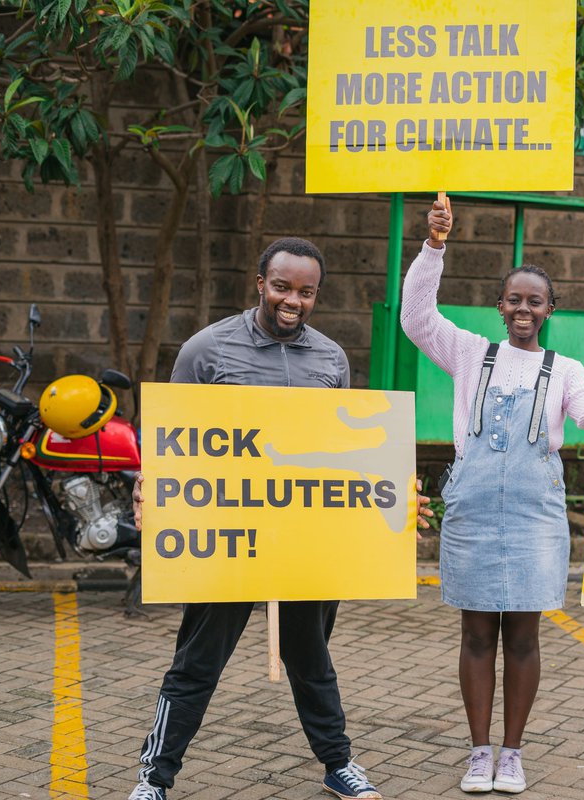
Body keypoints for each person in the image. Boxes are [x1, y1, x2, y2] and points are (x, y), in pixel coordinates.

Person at [127, 236, 432, 800]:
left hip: (306, 545)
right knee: (196, 665)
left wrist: (393, 496)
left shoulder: (331, 359)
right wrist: (154, 489)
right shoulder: (206, 350)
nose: (294, 300)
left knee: (312, 662)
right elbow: (173, 443)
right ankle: (154, 777)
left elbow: (344, 453)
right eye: (283, 287)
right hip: (228, 542)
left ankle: (338, 764)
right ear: (260, 283)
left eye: (307, 291)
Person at [400, 198, 584, 794]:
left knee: (524, 638)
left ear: (549, 310)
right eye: (514, 299)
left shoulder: (565, 371)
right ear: (500, 306)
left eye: (535, 301)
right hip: (475, 511)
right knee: (477, 634)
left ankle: (513, 753)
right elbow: (416, 318)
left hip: (536, 516)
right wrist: (434, 247)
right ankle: (478, 752)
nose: (523, 309)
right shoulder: (468, 354)